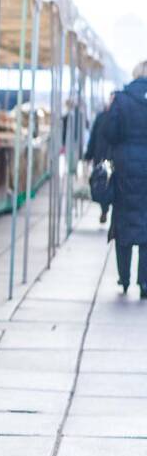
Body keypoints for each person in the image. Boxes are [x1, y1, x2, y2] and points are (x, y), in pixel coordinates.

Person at [102, 61, 147, 297]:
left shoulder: (121, 99)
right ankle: (145, 281)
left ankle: (124, 277)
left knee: (123, 221)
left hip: (125, 168)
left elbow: (109, 133)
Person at [86, 93, 115, 223]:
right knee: (102, 184)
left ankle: (106, 209)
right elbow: (93, 137)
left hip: (110, 157)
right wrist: (89, 154)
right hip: (102, 156)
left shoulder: (112, 118)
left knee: (107, 185)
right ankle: (104, 209)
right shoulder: (101, 117)